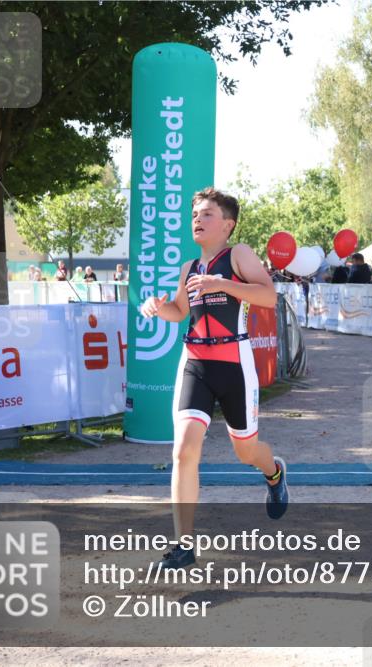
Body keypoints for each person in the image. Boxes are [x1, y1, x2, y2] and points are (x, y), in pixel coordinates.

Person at [140, 187, 288, 569]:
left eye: (206, 214)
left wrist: (222, 284)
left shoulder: (238, 255)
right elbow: (179, 311)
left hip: (234, 364)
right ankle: (184, 545)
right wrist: (159, 307)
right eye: (195, 215)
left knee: (245, 452)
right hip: (195, 362)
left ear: (227, 225)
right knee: (184, 450)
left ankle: (274, 473)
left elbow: (268, 297)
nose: (198, 221)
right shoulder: (189, 269)